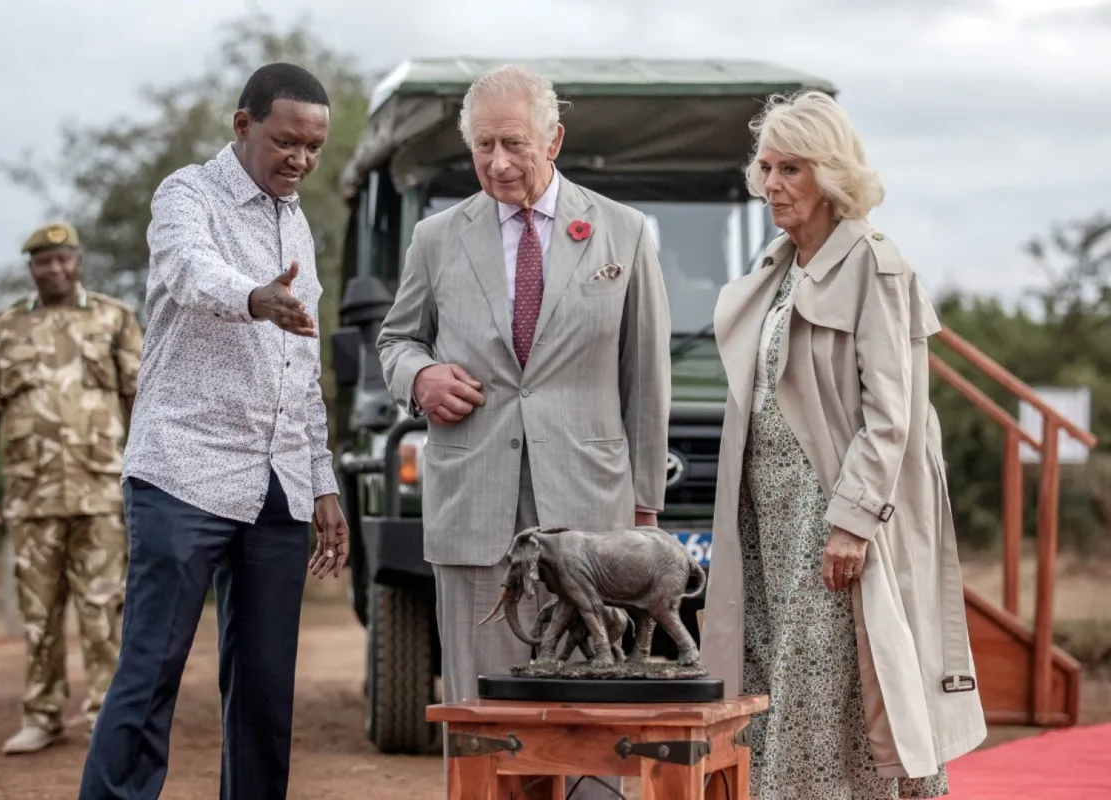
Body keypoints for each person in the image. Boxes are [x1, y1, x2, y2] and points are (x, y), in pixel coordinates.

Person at [375, 64, 671, 800]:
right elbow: (395, 340)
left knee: (592, 705)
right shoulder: (437, 238)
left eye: (514, 143)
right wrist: (420, 377)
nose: (498, 162)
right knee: (486, 715)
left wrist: (643, 509)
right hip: (475, 509)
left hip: (593, 520)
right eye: (483, 146)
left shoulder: (624, 234)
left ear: (554, 139)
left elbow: (646, 380)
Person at [698, 89, 987, 798]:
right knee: (775, 674)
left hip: (832, 518)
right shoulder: (777, 268)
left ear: (829, 176)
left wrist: (852, 521)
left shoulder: (875, 266)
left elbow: (894, 413)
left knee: (840, 683)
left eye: (790, 168)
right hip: (768, 517)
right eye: (765, 167)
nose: (771, 184)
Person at [77, 63, 349, 800]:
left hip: (278, 487)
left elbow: (302, 365)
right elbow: (190, 271)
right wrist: (255, 297)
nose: (300, 159)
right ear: (243, 125)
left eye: (315, 147)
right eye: (287, 141)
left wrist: (321, 480)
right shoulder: (186, 194)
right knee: (150, 672)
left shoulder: (297, 225)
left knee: (265, 689)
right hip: (184, 474)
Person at [0, 220, 142, 755]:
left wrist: (148, 475)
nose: (55, 268)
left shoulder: (114, 318)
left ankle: (106, 717)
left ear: (78, 262)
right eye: (44, 261)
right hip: (32, 494)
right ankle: (41, 715)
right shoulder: (5, 328)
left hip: (104, 489)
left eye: (64, 259)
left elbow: (140, 400)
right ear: (32, 268)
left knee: (104, 607)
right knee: (39, 614)